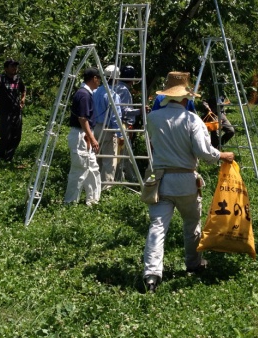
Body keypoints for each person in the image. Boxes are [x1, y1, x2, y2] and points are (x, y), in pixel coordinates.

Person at [143, 71, 234, 293]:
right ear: (186, 97)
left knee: (157, 227)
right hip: (185, 180)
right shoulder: (192, 119)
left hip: (160, 179)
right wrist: (222, 155)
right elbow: (203, 151)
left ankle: (152, 275)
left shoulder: (152, 118)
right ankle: (193, 263)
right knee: (191, 224)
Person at [64, 67, 102, 206]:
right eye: (98, 79)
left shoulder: (86, 93)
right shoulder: (84, 94)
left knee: (92, 168)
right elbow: (82, 119)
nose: (99, 82)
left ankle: (92, 200)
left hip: (84, 134)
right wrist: (91, 138)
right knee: (79, 170)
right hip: (82, 134)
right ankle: (70, 202)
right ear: (94, 78)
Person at [0, 58, 26, 161]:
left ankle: (8, 157)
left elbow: (23, 89)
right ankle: (0, 154)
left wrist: (23, 99)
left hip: (16, 112)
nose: (15, 68)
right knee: (5, 135)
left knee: (17, 136)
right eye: (12, 66)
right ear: (6, 68)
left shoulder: (18, 79)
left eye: (16, 66)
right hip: (5, 113)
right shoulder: (0, 79)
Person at [92, 65, 121, 183]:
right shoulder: (113, 95)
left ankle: (94, 185)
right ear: (116, 79)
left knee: (96, 159)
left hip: (95, 128)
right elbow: (115, 117)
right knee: (109, 160)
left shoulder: (95, 92)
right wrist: (120, 134)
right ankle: (106, 187)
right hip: (107, 129)